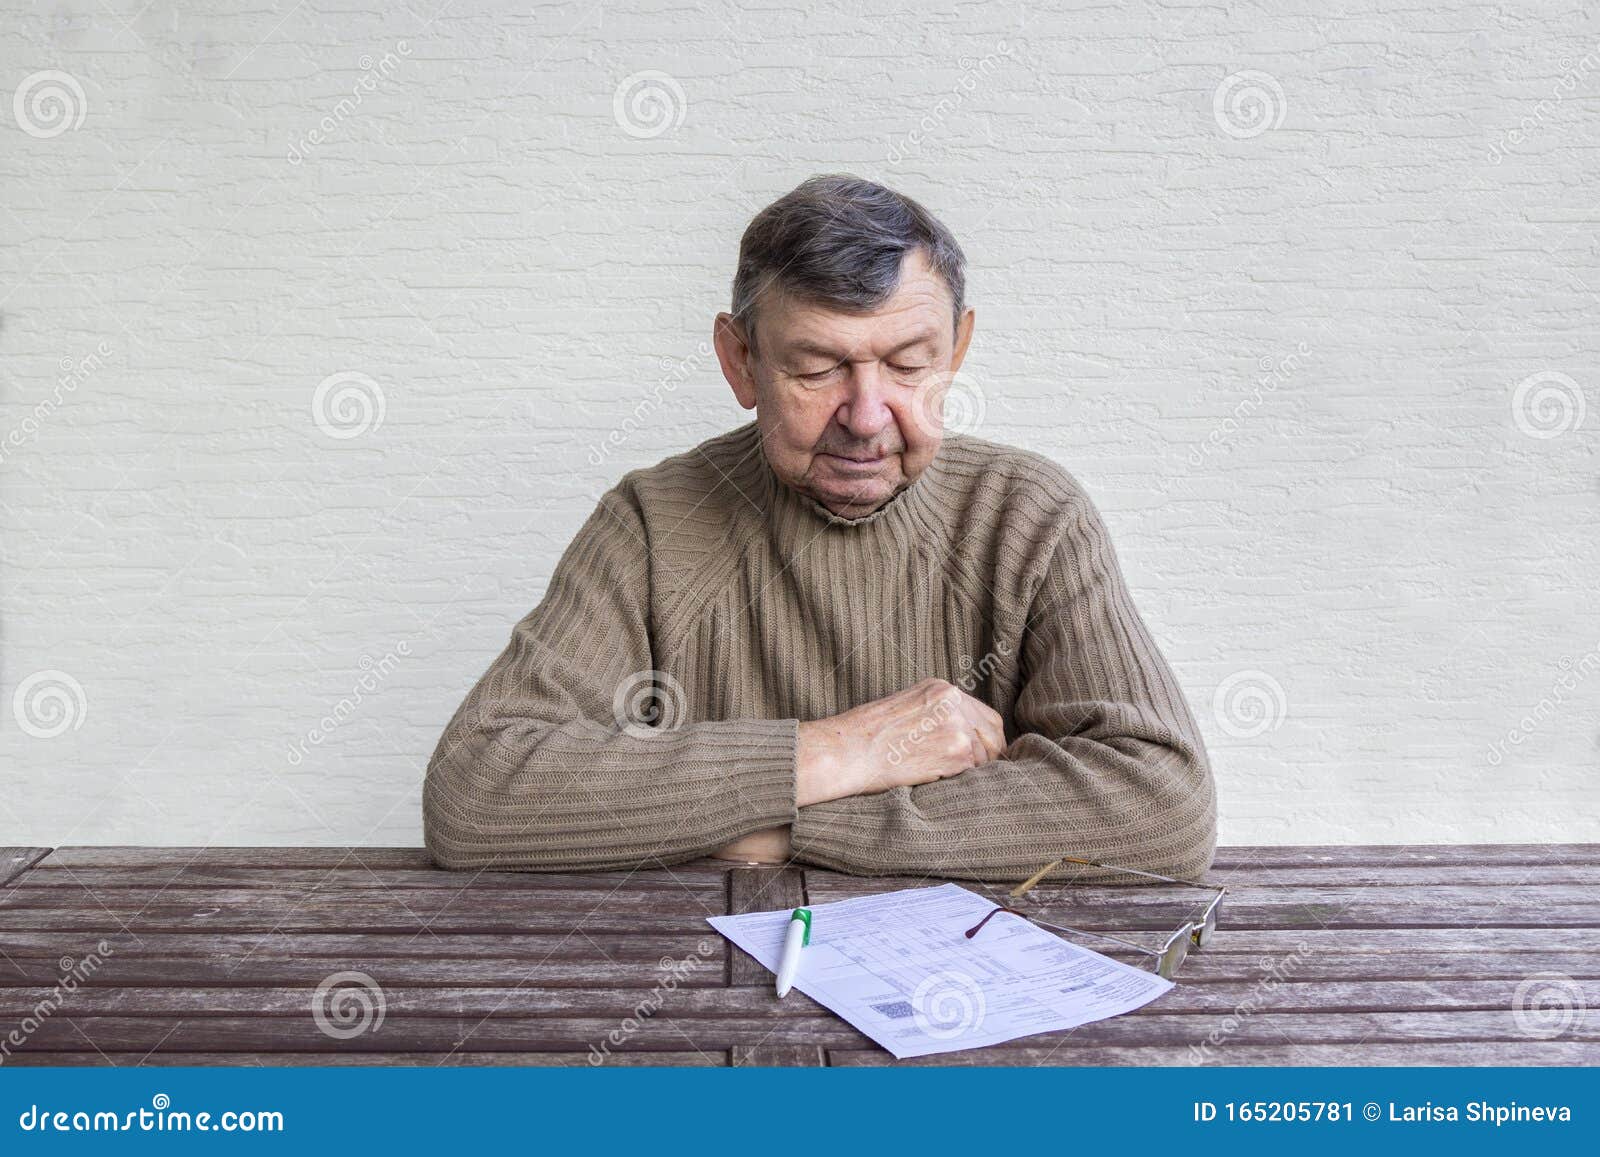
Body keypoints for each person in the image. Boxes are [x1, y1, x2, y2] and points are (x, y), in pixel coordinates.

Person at [422, 173, 1218, 884]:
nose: (867, 418)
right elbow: (477, 791)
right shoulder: (654, 522)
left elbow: (1159, 807)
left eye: (910, 364)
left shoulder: (1031, 517)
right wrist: (843, 750)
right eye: (816, 368)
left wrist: (773, 830)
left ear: (958, 349)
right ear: (741, 362)